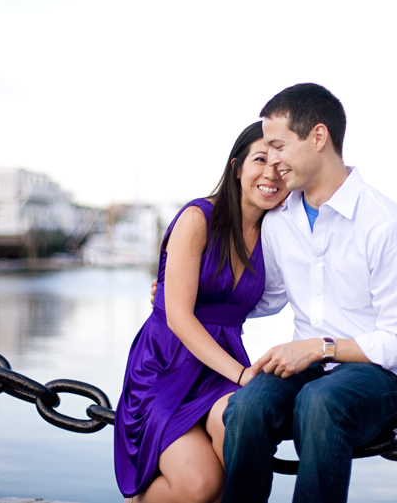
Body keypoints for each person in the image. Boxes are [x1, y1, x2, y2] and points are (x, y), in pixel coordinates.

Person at [221, 83, 397, 503]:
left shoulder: (384, 225)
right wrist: (193, 298)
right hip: (309, 367)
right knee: (245, 408)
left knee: (320, 402)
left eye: (279, 145)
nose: (271, 160)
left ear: (318, 137)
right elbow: (269, 296)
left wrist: (320, 349)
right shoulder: (281, 219)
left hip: (380, 375)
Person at [114, 121, 288, 502]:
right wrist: (243, 374)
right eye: (261, 159)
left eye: (282, 166)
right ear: (236, 165)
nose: (271, 174)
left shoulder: (278, 233)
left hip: (219, 367)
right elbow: (178, 317)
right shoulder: (199, 218)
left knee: (238, 432)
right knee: (200, 485)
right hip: (166, 363)